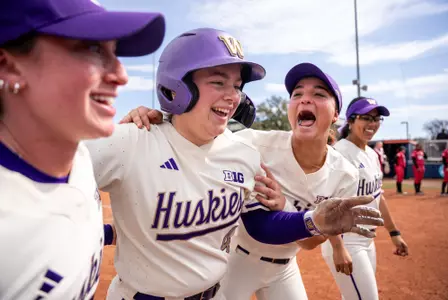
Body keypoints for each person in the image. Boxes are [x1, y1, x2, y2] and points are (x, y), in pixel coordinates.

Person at [87, 29, 383, 300]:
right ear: (177, 85)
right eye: (218, 81)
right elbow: (50, 190)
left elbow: (259, 224)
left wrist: (313, 221)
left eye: (237, 86)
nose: (233, 96)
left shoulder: (243, 152)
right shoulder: (130, 140)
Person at [0, 0, 166, 299]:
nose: (121, 75)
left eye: (114, 52)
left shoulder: (75, 156)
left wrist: (118, 232)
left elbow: (54, 235)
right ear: (8, 66)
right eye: (92, 49)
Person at [335, 96, 409, 300]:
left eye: (377, 119)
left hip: (368, 240)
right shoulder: (339, 153)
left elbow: (378, 198)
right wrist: (338, 247)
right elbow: (327, 203)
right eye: (366, 118)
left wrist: (394, 233)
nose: (373, 124)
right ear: (350, 121)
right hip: (347, 240)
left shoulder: (371, 153)